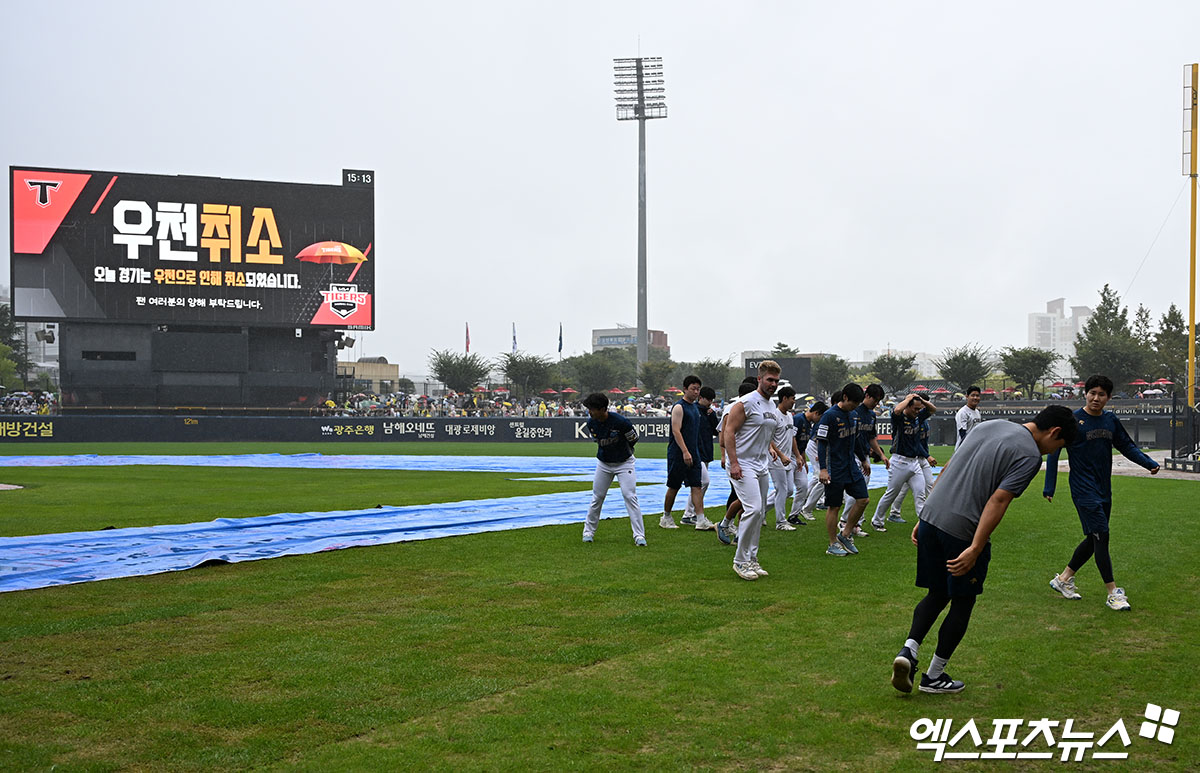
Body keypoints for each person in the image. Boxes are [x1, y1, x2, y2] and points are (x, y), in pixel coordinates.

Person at [890, 406, 1077, 694]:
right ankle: (934, 676)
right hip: (961, 530)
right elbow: (999, 501)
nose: (1054, 453)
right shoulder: (1029, 455)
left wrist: (924, 515)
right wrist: (976, 547)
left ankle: (908, 651)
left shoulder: (991, 425)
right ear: (1054, 433)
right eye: (1058, 447)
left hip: (932, 518)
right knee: (962, 601)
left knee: (937, 592)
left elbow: (950, 466)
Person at [1044, 375, 1160, 611]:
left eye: (1102, 394)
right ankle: (1113, 593)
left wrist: (1148, 463)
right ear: (1085, 394)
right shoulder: (1073, 421)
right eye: (1092, 393)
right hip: (1083, 489)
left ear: (1108, 397)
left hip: (1103, 489)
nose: (1096, 398)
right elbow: (1053, 452)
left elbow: (1126, 445)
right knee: (1102, 537)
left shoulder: (1110, 420)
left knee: (1094, 537)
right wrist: (1049, 486)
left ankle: (1063, 579)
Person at [723, 361, 782, 580]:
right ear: (759, 379)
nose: (773, 384)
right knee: (754, 509)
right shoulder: (745, 403)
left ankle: (752, 559)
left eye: (776, 381)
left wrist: (770, 449)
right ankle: (740, 561)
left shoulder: (771, 406)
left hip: (761, 465)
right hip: (743, 464)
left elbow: (763, 433)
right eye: (769, 380)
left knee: (760, 513)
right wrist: (734, 462)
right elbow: (729, 433)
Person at [581, 392, 646, 546]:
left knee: (630, 496)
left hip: (624, 463)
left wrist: (622, 452)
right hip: (604, 463)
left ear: (603, 409)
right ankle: (588, 532)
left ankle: (639, 536)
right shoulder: (591, 423)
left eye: (592, 408)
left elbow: (634, 439)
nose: (589, 412)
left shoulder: (621, 422)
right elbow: (597, 440)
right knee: (597, 497)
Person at [817, 383, 870, 557]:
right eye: (853, 402)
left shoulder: (854, 415)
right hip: (835, 468)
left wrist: (863, 460)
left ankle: (845, 534)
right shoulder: (829, 416)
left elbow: (855, 441)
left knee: (863, 499)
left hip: (851, 466)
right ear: (845, 397)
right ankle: (832, 544)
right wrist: (823, 469)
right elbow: (822, 443)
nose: (855, 406)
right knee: (834, 506)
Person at [871, 393, 936, 531]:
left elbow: (932, 409)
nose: (918, 411)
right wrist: (907, 399)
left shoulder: (918, 417)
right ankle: (877, 520)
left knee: (920, 494)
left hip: (914, 463)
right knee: (891, 493)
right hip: (899, 462)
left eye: (919, 409)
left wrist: (921, 400)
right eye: (915, 409)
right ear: (908, 406)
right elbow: (897, 410)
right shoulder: (899, 418)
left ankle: (924, 524)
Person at [661, 376, 710, 530]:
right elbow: (676, 430)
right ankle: (666, 517)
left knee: (697, 485)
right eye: (693, 389)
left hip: (694, 452)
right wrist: (684, 451)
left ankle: (700, 519)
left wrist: (695, 452)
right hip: (678, 453)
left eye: (698, 389)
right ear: (685, 389)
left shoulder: (695, 408)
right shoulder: (679, 407)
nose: (696, 392)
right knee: (674, 486)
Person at [716, 379, 760, 546]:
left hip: (754, 461)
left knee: (747, 499)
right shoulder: (733, 409)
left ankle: (735, 529)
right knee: (742, 497)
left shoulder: (759, 406)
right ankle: (727, 524)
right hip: (738, 460)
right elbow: (724, 436)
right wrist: (726, 457)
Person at [683, 386, 720, 530]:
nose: (710, 402)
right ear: (701, 398)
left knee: (697, 484)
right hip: (696, 452)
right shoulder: (694, 411)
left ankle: (689, 513)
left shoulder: (708, 413)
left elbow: (716, 430)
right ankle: (690, 514)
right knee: (702, 482)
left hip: (705, 451)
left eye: (711, 399)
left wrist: (711, 415)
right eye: (708, 399)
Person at [787, 400, 827, 525]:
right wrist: (798, 456)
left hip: (798, 456)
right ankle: (764, 510)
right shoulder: (798, 419)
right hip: (789, 456)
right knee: (785, 490)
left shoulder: (808, 423)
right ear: (816, 413)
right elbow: (792, 438)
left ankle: (794, 515)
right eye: (820, 417)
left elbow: (802, 443)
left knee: (803, 486)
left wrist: (803, 459)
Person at [767, 386, 800, 531]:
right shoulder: (774, 415)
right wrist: (780, 455)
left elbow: (792, 437)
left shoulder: (789, 416)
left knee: (789, 491)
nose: (794, 402)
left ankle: (760, 510)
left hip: (787, 459)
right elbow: (768, 438)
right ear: (785, 398)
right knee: (781, 489)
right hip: (775, 459)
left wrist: (797, 456)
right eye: (792, 399)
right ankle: (780, 522)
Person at [955, 386, 983, 451]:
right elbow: (962, 433)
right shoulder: (963, 412)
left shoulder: (977, 412)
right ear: (967, 397)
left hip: (975, 448)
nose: (975, 398)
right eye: (973, 395)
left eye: (977, 395)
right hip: (964, 449)